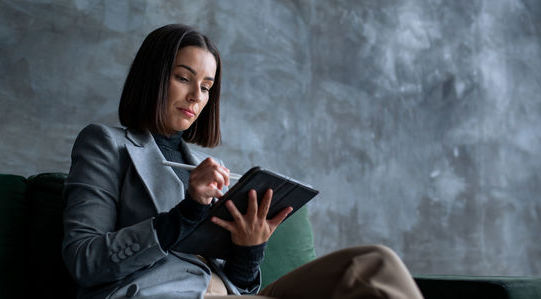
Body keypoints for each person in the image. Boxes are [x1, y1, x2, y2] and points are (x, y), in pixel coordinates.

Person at [62, 24, 424, 299]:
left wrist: (249, 251)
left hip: (228, 295)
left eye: (206, 86)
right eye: (183, 78)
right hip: (160, 292)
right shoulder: (105, 144)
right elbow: (84, 260)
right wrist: (185, 213)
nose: (195, 96)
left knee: (374, 263)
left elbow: (239, 283)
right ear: (154, 77)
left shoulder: (204, 163)